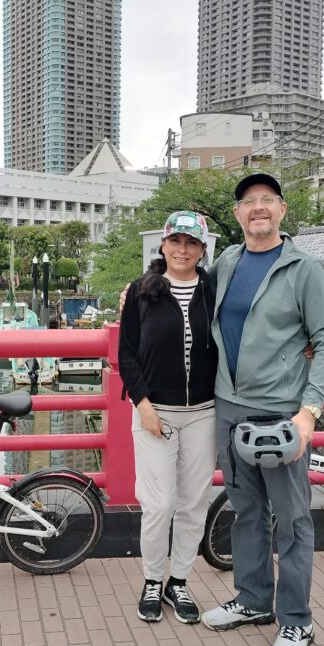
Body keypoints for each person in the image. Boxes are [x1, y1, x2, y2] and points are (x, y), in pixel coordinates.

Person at [199, 173, 324, 646]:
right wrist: (140, 295)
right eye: (248, 203)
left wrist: (310, 412)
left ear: (282, 210)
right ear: (238, 214)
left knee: (294, 518)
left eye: (267, 201)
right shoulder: (227, 263)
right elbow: (191, 303)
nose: (257, 209)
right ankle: (254, 599)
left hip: (282, 409)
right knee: (246, 510)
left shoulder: (305, 269)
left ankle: (297, 620)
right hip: (229, 404)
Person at [118, 210, 218, 624]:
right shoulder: (142, 292)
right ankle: (152, 580)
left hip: (204, 413)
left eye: (192, 243)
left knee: (194, 503)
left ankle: (179, 581)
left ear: (202, 250)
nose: (183, 249)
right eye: (176, 241)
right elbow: (125, 353)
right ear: (163, 245)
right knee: (159, 504)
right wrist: (143, 405)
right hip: (154, 410)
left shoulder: (214, 290)